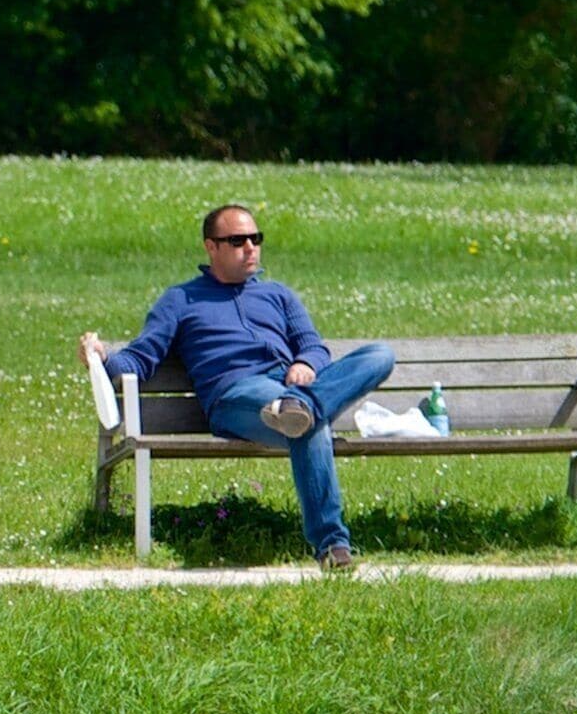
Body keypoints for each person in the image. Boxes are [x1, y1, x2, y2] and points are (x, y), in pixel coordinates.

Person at [80, 203, 397, 571]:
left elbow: (312, 345)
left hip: (287, 389)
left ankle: (300, 406)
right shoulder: (180, 300)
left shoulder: (278, 295)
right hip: (236, 397)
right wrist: (102, 356)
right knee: (307, 423)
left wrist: (305, 363)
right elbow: (141, 358)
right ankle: (332, 545)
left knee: (379, 355)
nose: (250, 247)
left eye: (255, 238)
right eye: (237, 240)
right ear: (211, 247)